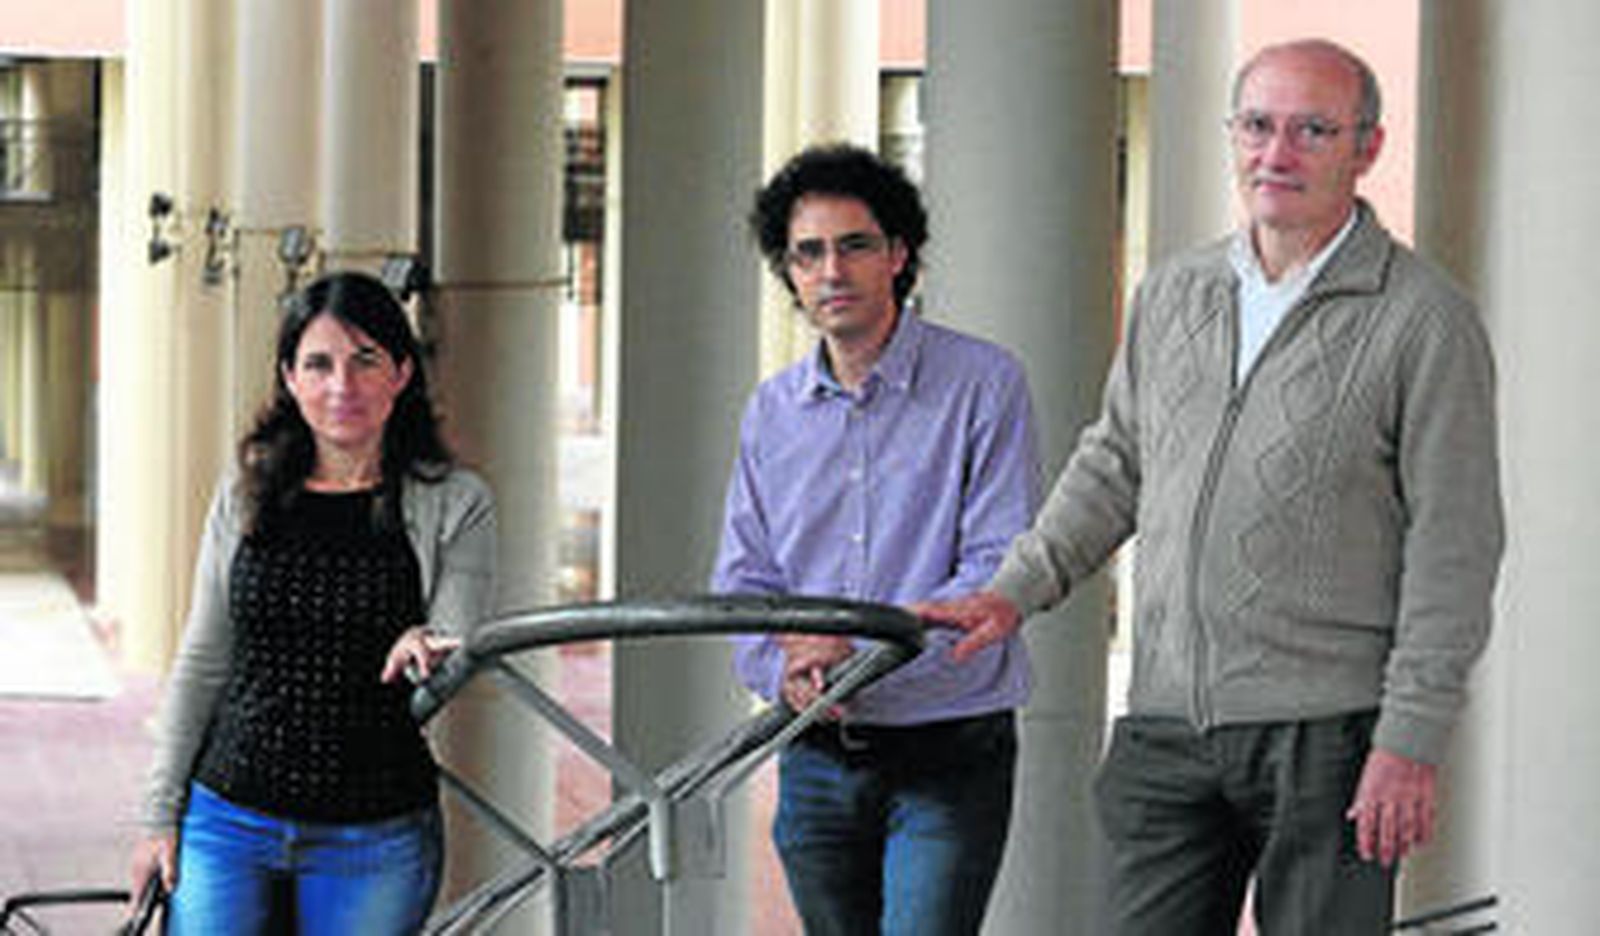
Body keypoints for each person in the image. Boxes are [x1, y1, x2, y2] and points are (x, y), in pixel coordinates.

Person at [916, 39, 1504, 935]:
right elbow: (1115, 463)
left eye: (1313, 130)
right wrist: (1011, 591)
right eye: (1258, 126)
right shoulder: (1173, 293)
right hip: (1165, 727)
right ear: (1232, 135)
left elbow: (1454, 548)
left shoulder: (1424, 318)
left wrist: (1409, 739)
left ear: (1368, 148)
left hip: (1331, 737)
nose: (1277, 153)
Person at [711, 143, 1040, 935]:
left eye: (854, 245)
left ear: (898, 254)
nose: (832, 271)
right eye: (808, 253)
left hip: (947, 747)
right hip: (815, 754)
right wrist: (785, 670)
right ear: (789, 273)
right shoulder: (772, 413)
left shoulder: (985, 383)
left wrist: (850, 655)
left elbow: (996, 563)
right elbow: (745, 585)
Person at [127, 271, 497, 934]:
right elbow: (203, 660)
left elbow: (456, 645)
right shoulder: (244, 493)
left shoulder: (458, 502)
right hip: (227, 820)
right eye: (318, 364)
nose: (341, 385)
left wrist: (426, 643)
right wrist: (159, 816)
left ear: (401, 373)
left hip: (375, 835)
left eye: (365, 360)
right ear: (290, 378)